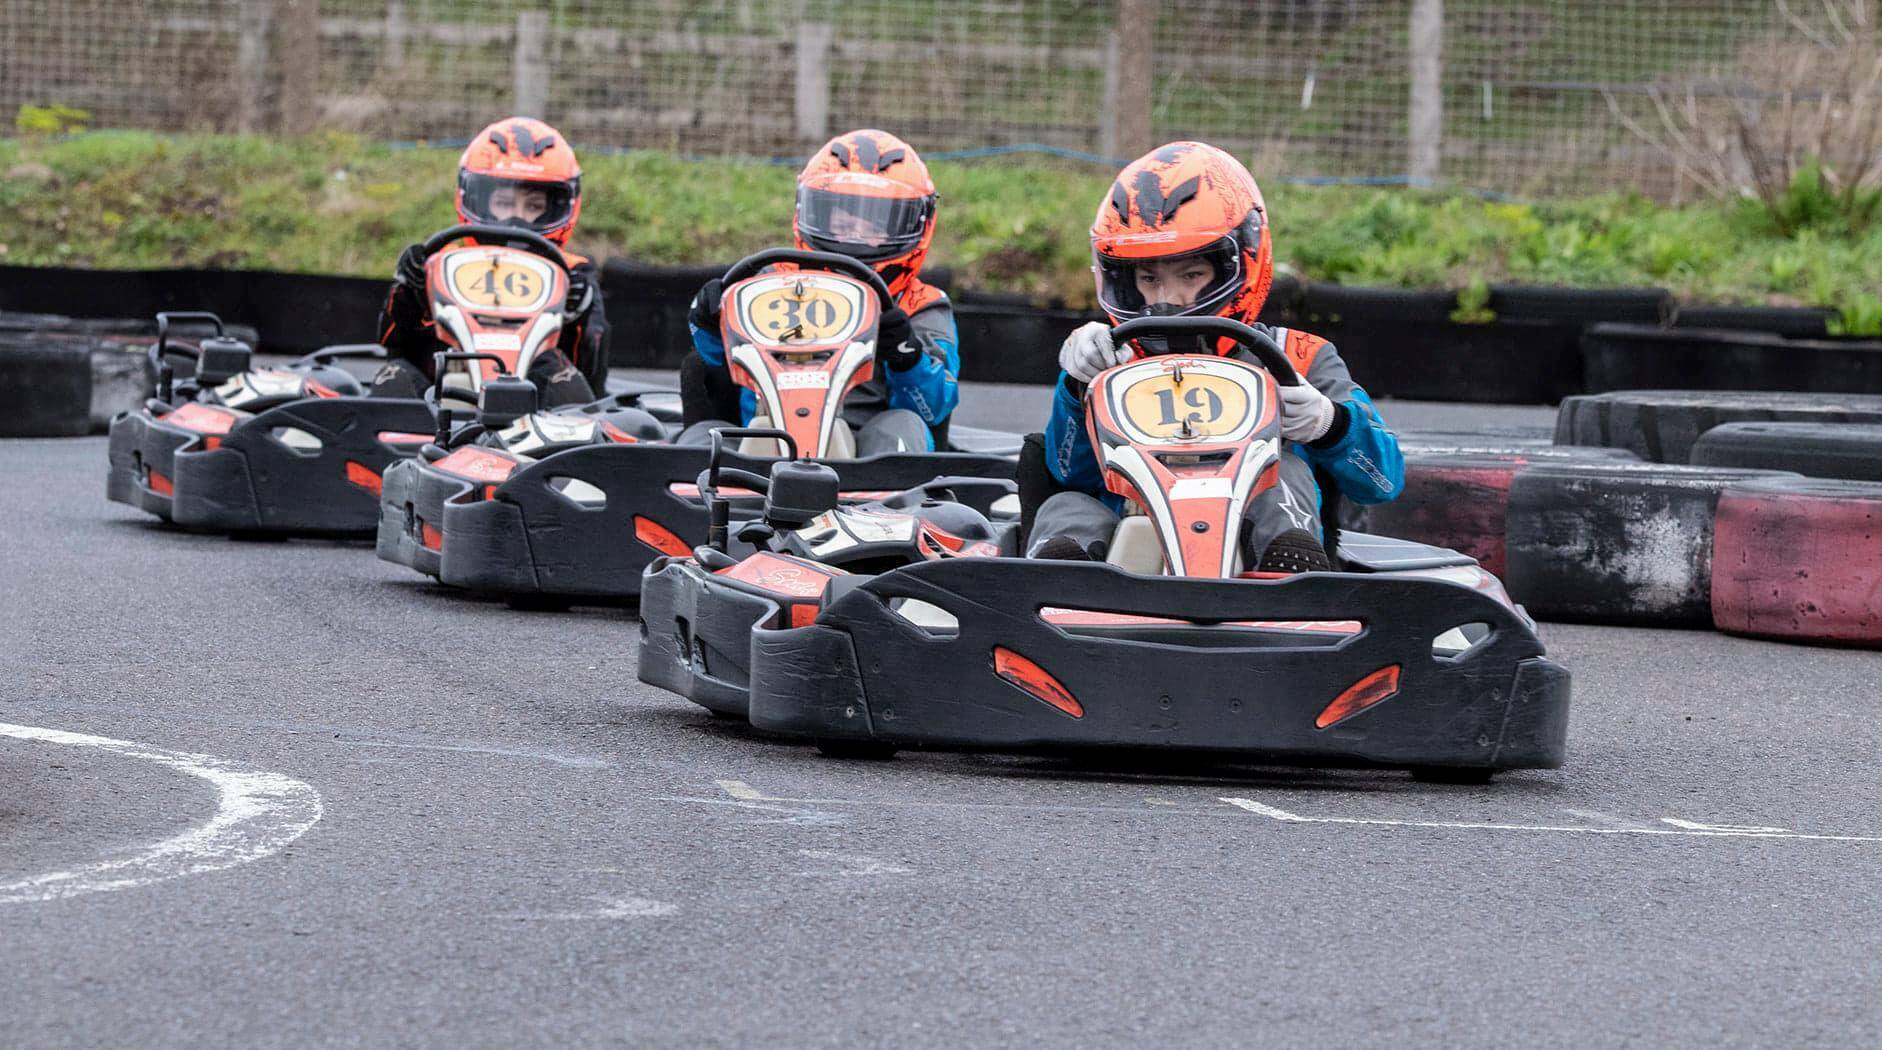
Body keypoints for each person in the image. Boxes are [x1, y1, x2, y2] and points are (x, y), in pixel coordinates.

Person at [1026, 141, 1403, 573]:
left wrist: (1330, 425)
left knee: (1286, 476)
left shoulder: (1301, 357)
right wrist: (1077, 388)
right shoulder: (1110, 361)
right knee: (1067, 506)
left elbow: (1383, 480)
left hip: (1248, 546)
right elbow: (1068, 471)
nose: (1166, 300)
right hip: (1131, 546)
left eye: (1190, 275)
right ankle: (1061, 597)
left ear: (1240, 264)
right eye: (1149, 279)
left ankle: (1289, 579)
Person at [680, 129, 959, 453]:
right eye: (841, 221)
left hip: (866, 454)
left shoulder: (920, 306)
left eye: (870, 227)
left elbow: (934, 406)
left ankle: (884, 497)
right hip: (762, 440)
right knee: (702, 432)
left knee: (901, 426)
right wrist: (710, 324)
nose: (851, 238)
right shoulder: (770, 285)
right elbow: (718, 361)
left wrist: (905, 357)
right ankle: (700, 490)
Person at [372, 116, 609, 406]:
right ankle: (400, 440)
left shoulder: (572, 273)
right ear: (476, 197)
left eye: (533, 206)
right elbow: (395, 345)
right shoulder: (442, 264)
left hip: (535, 402)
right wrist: (408, 292)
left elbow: (592, 373)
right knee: (394, 376)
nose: (516, 218)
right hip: (442, 395)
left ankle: (563, 445)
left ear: (560, 207)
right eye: (504, 203)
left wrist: (577, 315)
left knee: (564, 378)